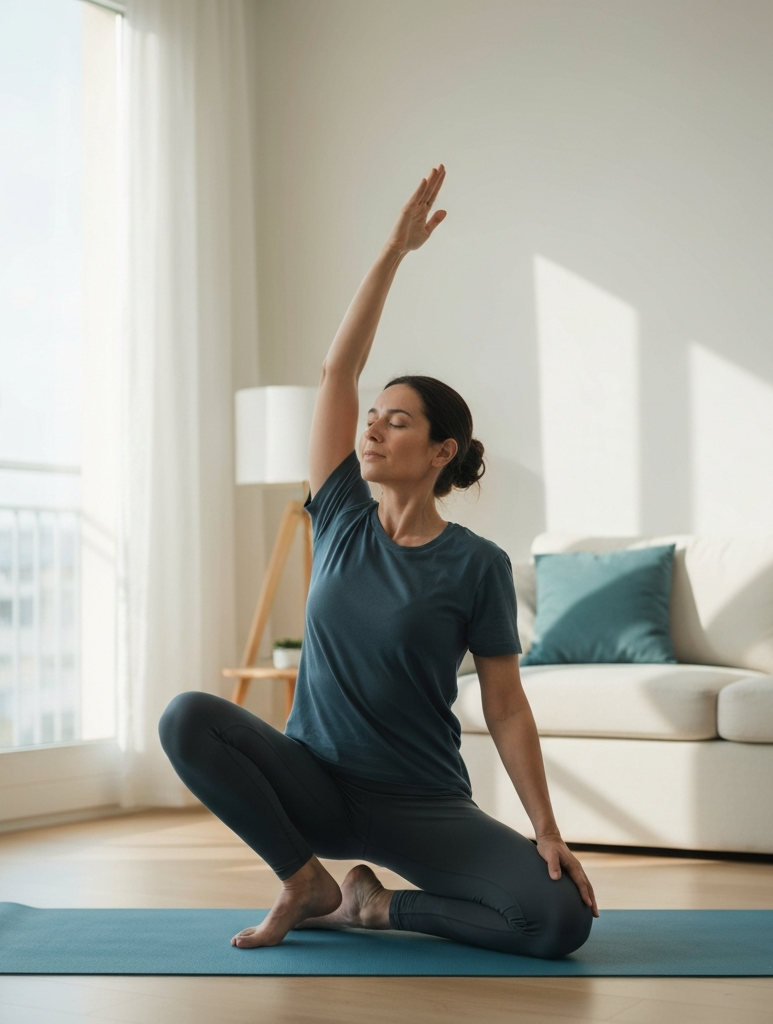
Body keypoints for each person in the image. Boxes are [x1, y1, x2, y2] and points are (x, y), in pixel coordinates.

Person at [159, 165, 598, 959]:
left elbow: (504, 707)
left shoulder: (478, 564)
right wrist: (394, 251)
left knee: (559, 920)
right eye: (371, 417)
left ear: (441, 452)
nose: (372, 429)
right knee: (187, 718)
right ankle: (307, 881)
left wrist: (546, 829)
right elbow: (337, 372)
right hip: (315, 785)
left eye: (396, 422)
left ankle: (374, 909)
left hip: (421, 803)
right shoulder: (338, 517)